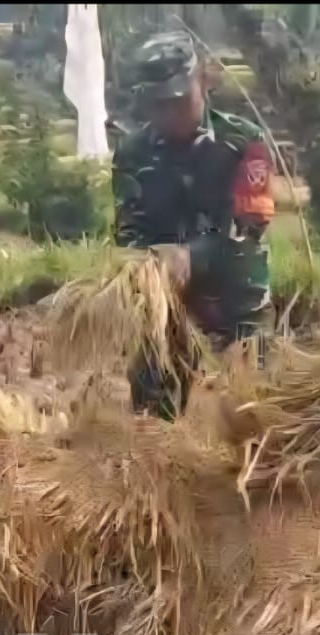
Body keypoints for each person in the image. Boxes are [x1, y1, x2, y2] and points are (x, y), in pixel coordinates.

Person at [112, 32, 276, 420]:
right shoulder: (133, 154)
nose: (171, 116)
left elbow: (248, 228)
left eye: (179, 102)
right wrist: (149, 261)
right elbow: (127, 232)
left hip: (237, 306)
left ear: (202, 81)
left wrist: (190, 255)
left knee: (253, 422)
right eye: (159, 106)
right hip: (165, 306)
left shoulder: (243, 143)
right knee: (153, 422)